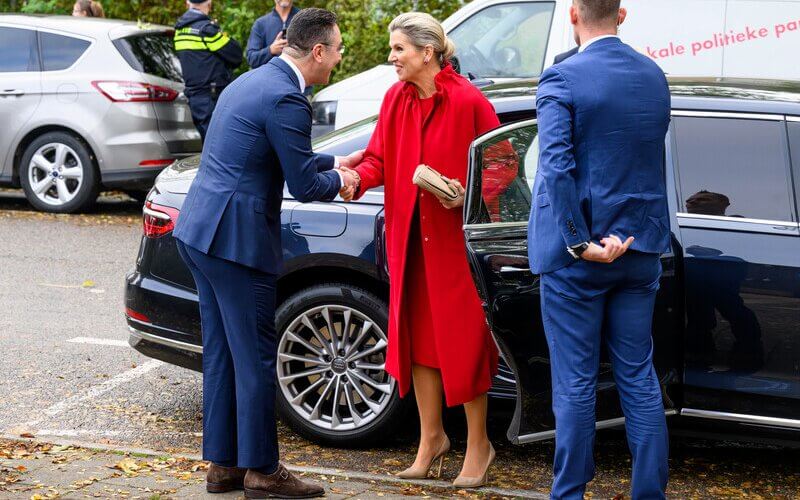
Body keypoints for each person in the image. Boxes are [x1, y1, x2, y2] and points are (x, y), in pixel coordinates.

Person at [172, 8, 362, 498]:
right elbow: (303, 182)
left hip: (199, 232)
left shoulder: (254, 80)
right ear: (317, 52)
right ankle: (261, 470)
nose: (338, 60)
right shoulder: (288, 98)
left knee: (223, 354)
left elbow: (267, 150)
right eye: (337, 50)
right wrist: (344, 179)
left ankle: (223, 467)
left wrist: (335, 158)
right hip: (236, 243)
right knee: (255, 356)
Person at [340, 12, 501, 489]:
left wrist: (468, 193)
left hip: (454, 245)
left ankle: (479, 444)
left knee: (465, 342)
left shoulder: (469, 101)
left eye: (398, 50)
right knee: (418, 342)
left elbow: (502, 163)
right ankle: (431, 439)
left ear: (426, 53)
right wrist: (355, 179)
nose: (391, 58)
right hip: (408, 242)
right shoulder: (395, 99)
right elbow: (378, 159)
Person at [528, 0, 671, 498]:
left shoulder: (561, 78)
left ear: (572, 14)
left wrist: (578, 240)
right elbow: (646, 159)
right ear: (622, 14)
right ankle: (649, 493)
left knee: (574, 385)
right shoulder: (654, 75)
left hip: (580, 260)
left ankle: (569, 494)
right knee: (639, 378)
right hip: (640, 248)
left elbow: (557, 169)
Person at [174, 0, 243, 142]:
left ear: (188, 3)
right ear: (209, 3)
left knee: (209, 143)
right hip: (210, 97)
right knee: (218, 144)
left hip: (195, 97)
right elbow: (235, 56)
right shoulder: (206, 30)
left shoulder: (179, 30)